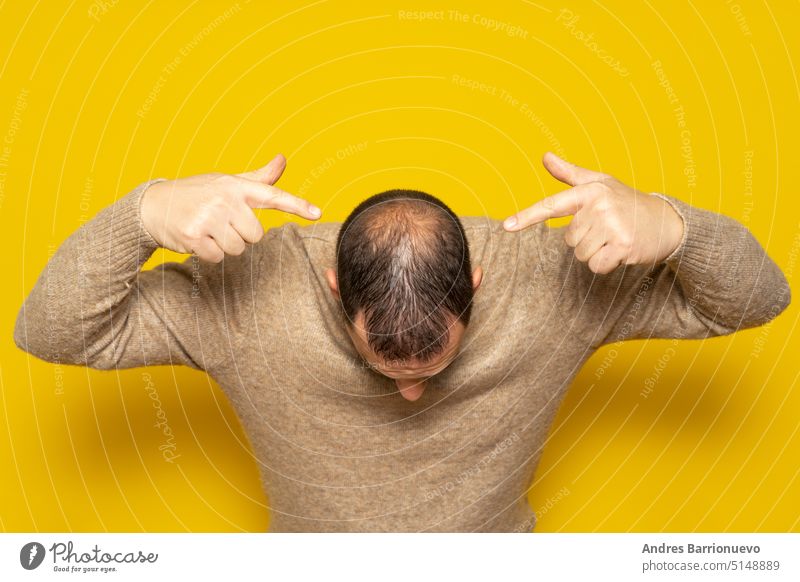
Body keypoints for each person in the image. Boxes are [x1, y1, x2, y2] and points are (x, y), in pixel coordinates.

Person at [14, 151, 791, 532]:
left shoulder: (555, 281)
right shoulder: (247, 294)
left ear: (481, 284)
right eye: (382, 367)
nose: (412, 395)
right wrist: (141, 215)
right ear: (329, 288)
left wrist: (676, 226)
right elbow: (50, 332)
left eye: (434, 366)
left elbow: (753, 303)